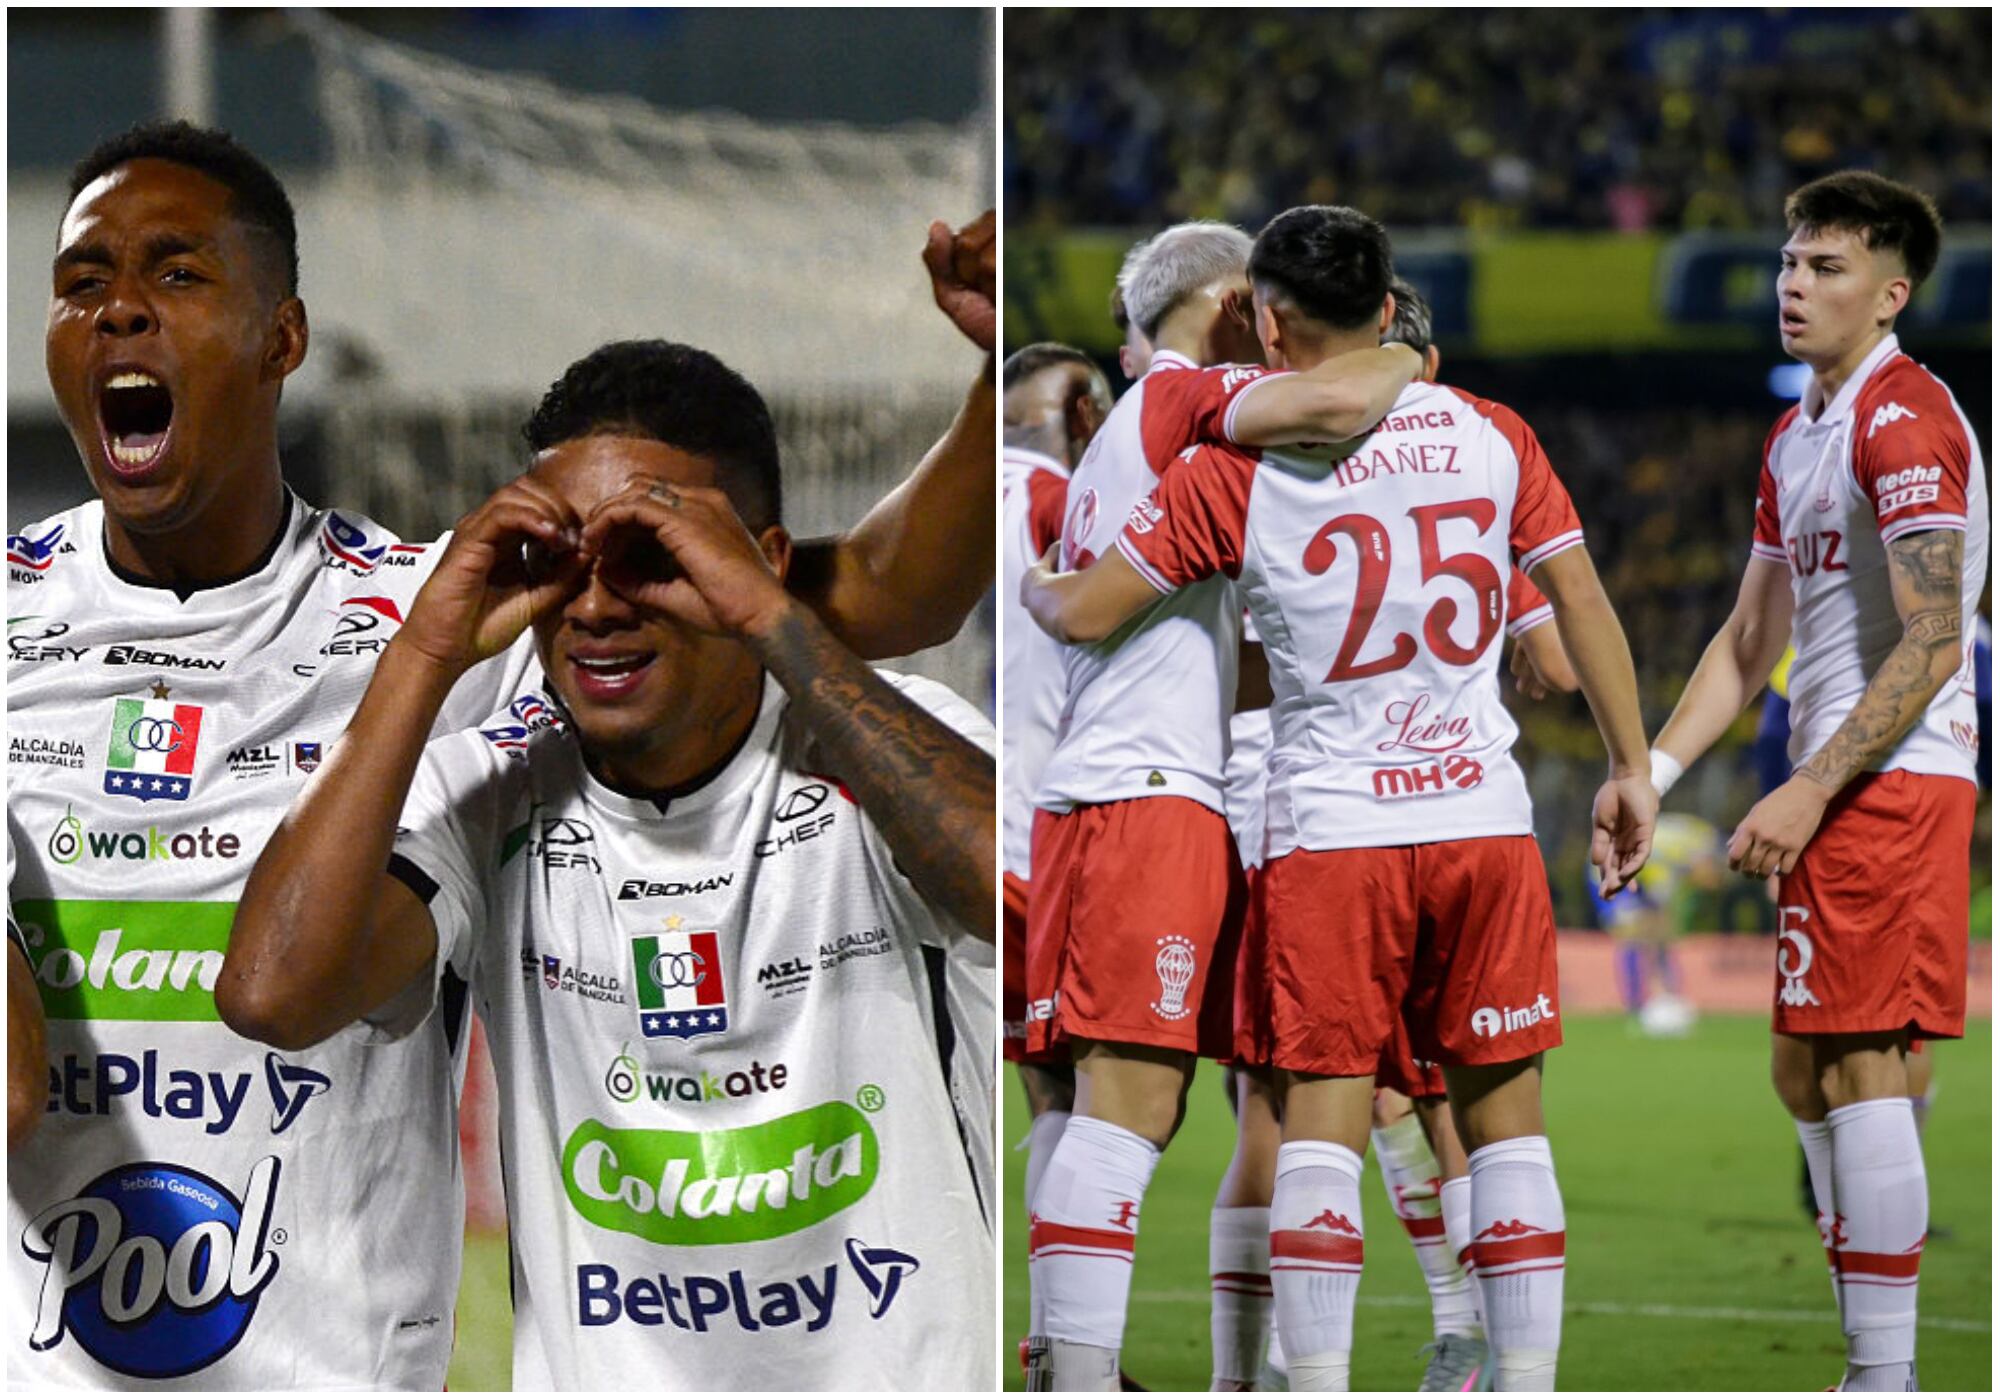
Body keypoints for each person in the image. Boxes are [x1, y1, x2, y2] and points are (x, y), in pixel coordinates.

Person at [7, 119, 997, 1389]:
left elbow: (862, 592)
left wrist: (992, 381)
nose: (119, 314)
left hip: (342, 1367)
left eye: (175, 275)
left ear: (282, 340)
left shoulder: (447, 607)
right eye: (82, 284)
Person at [219, 339, 997, 1389]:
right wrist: (422, 654)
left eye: (648, 555)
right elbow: (272, 991)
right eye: (560, 563)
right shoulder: (489, 791)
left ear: (755, 557)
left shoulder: (877, 752)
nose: (594, 607)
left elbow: (1033, 902)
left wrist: (773, 621)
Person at [1025, 204, 1655, 1392]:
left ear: (1262, 319)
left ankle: (1305, 1385)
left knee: (1315, 1125)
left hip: (1330, 830)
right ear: (1388, 310)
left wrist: (1040, 588)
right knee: (1503, 1120)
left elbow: (1096, 608)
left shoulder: (1228, 470)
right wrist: (1627, 767)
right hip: (1480, 815)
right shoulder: (1492, 432)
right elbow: (1579, 607)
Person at [1019, 219, 1424, 1391]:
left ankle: (1089, 1363)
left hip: (1110, 792)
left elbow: (1138, 622)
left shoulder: (1116, 452)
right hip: (1147, 800)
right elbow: (1336, 407)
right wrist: (1404, 353)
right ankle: (1076, 1376)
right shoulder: (1182, 392)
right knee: (1129, 1110)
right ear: (1239, 302)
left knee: (1129, 1101)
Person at [1649, 171, 1985, 1392]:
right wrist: (1654, 768)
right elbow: (1749, 637)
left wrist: (1810, 783)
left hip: (1887, 773)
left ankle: (1878, 1371)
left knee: (1852, 1061)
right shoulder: (1798, 430)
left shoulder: (1904, 418)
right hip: (1838, 772)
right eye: (1790, 261)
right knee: (1802, 1067)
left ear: (1889, 293)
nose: (1793, 283)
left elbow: (1937, 632)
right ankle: (1872, 1348)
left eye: (1826, 267)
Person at [1210, 277, 1573, 1395]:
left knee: (1284, 1095)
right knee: (1437, 1089)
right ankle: (1471, 1334)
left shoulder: (1245, 454)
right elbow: (1559, 659)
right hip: (1451, 805)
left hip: (1281, 797)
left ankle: (1280, 1366)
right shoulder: (1476, 458)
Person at [999, 341, 1114, 1337]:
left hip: (955, 834)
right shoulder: (1061, 502)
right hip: (1053, 839)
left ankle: (1046, 1343)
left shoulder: (945, 501)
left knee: (1049, 1093)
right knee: (1114, 1101)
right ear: (1078, 416)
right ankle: (1066, 1347)